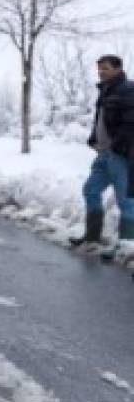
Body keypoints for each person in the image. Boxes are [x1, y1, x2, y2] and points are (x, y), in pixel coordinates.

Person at [69, 54, 134, 255]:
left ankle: (126, 246)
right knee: (90, 189)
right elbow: (102, 119)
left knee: (126, 200)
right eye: (99, 68)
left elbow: (131, 122)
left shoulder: (128, 89)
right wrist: (93, 138)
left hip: (121, 155)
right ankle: (92, 237)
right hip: (104, 154)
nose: (100, 72)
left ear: (117, 69)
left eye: (105, 68)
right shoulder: (106, 90)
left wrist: (117, 146)